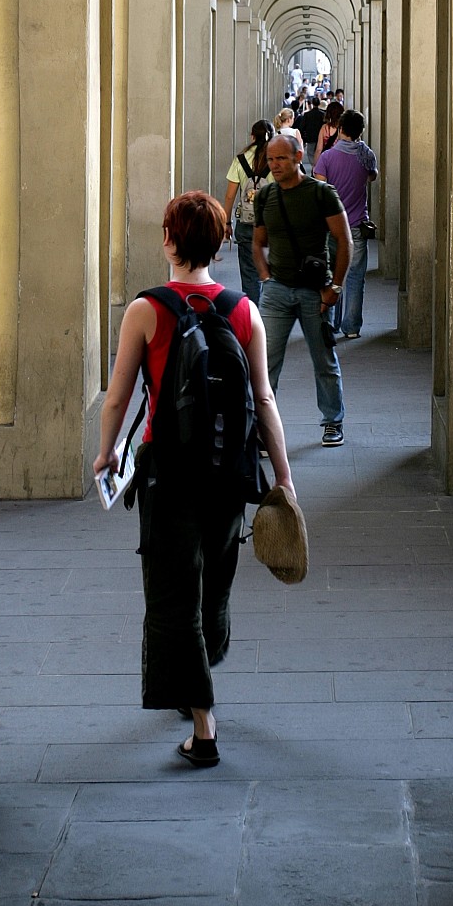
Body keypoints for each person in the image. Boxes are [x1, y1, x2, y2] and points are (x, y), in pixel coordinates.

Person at [93, 190, 295, 769]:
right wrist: (283, 477)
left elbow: (118, 397)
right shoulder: (244, 311)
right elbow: (264, 400)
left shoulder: (146, 310)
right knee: (212, 585)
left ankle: (203, 727)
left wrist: (106, 454)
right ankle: (198, 670)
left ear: (168, 240)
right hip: (229, 473)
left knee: (172, 591)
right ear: (221, 243)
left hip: (169, 472)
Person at [252, 132, 351, 446]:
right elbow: (258, 242)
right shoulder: (266, 197)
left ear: (298, 157)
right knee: (265, 363)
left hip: (314, 291)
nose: (275, 165)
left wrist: (335, 287)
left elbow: (344, 240)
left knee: (324, 360)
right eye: (270, 159)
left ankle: (333, 422)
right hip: (277, 291)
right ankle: (263, 431)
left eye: (281, 158)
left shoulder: (321, 194)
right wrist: (266, 278)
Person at [316, 108, 380, 338]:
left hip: (331, 227)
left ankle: (331, 322)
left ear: (341, 129)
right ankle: (351, 327)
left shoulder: (327, 157)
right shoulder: (366, 155)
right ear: (360, 131)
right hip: (357, 225)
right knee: (355, 277)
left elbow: (319, 185)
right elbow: (372, 176)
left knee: (332, 276)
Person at [222, 121, 274, 300]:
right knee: (273, 274)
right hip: (271, 225)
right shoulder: (276, 160)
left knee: (249, 275)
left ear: (252, 136)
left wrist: (227, 222)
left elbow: (230, 196)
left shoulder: (240, 159)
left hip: (246, 223)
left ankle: (253, 313)